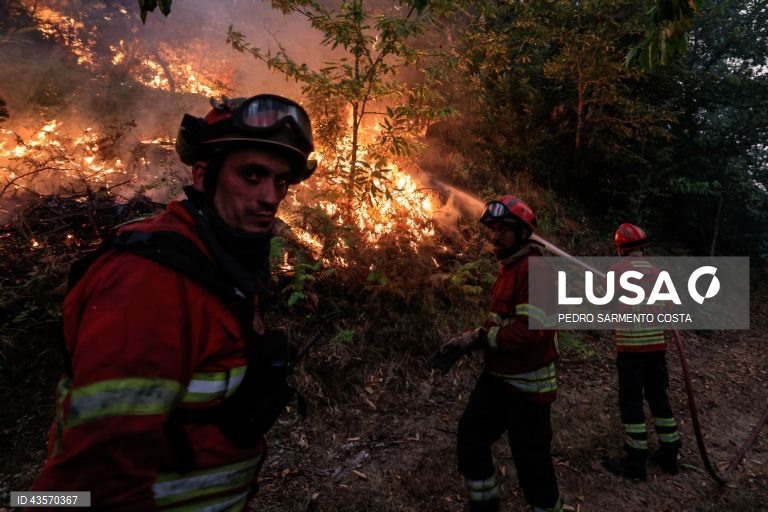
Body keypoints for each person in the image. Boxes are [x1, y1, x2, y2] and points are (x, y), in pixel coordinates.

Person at [32, 94, 317, 510]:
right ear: (203, 176)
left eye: (281, 181)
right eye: (252, 175)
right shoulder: (150, 283)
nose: (270, 197)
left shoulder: (218, 259)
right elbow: (98, 473)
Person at [438, 196, 563, 512]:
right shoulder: (511, 267)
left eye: (504, 229)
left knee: (533, 465)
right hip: (497, 380)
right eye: (492, 228)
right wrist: (468, 340)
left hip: (527, 388)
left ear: (523, 233)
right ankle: (485, 503)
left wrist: (481, 338)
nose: (495, 236)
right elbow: (500, 320)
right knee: (471, 438)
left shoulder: (537, 271)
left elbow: (531, 332)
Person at [602, 223, 681, 480]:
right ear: (643, 247)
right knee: (658, 396)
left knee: (631, 401)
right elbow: (669, 308)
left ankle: (635, 462)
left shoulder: (616, 271)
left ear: (620, 248)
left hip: (631, 350)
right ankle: (670, 453)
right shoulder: (659, 273)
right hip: (656, 349)